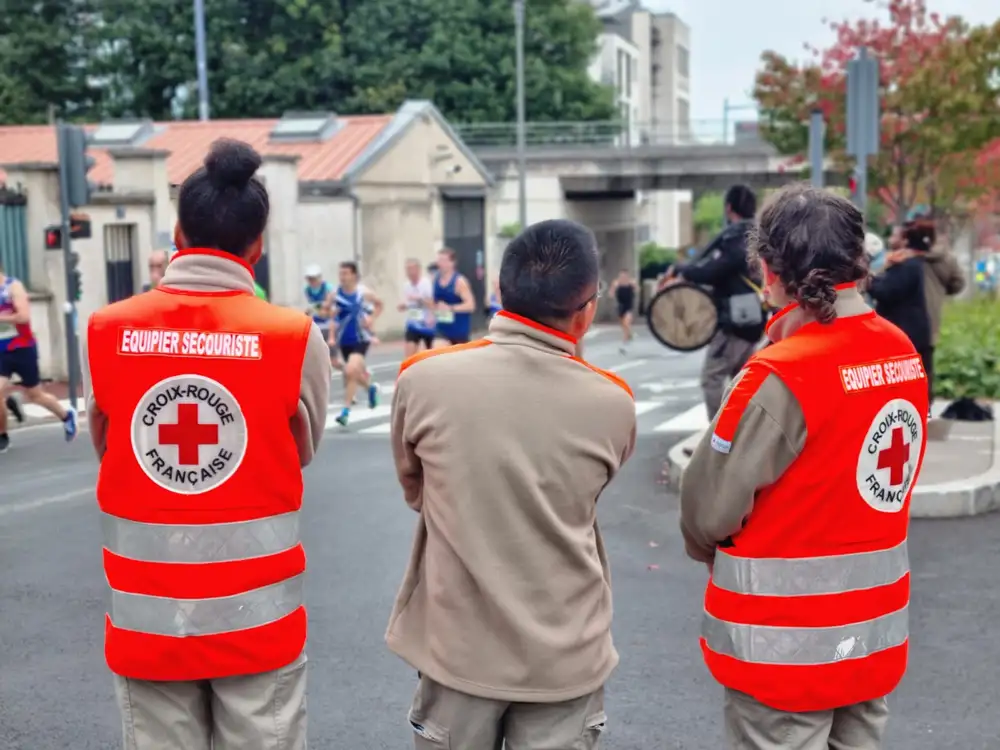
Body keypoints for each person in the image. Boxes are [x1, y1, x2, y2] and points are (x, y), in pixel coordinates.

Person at [81, 138, 331, 750]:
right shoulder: (293, 337)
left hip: (148, 623)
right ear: (259, 244)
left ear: (177, 233)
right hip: (259, 622)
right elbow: (299, 449)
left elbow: (110, 443)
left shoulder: (107, 331)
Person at [680, 185, 929, 750]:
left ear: (768, 271)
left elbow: (708, 511)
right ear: (859, 262)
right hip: (871, 637)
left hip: (785, 651)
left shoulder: (780, 375)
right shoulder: (902, 354)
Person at [387, 219, 636, 750]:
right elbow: (586, 498)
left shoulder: (423, 378)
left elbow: (418, 491)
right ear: (586, 310)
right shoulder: (613, 401)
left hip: (458, 652)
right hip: (567, 655)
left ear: (500, 292)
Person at [662, 184, 765, 420]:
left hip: (734, 322)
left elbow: (712, 271)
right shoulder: (756, 236)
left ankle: (719, 442)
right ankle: (741, 438)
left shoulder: (735, 239)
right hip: (753, 319)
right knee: (742, 382)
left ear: (729, 208)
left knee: (712, 378)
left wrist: (682, 270)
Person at [0, 260, 78, 452]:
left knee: (35, 395)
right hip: (1, 351)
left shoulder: (13, 287)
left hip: (22, 348)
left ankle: (66, 416)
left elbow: (24, 316)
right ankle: (2, 435)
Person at [869, 221, 935, 400]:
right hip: (915, 331)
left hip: (906, 332)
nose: (891, 239)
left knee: (908, 381)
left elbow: (886, 291)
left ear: (905, 241)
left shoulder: (908, 266)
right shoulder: (911, 264)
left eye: (895, 235)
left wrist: (869, 280)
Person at [331, 261, 382, 426]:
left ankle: (345, 411)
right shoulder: (335, 294)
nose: (342, 277)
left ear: (353, 275)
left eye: (345, 273)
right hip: (344, 339)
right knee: (350, 372)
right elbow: (329, 314)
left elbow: (379, 304)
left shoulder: (363, 293)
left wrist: (371, 318)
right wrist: (331, 333)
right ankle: (370, 388)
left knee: (351, 369)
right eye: (341, 274)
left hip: (362, 338)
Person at [432, 247, 476, 347]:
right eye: (439, 260)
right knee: (438, 354)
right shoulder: (436, 279)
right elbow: (435, 302)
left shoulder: (459, 282)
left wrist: (451, 308)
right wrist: (434, 310)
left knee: (458, 362)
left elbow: (471, 305)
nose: (440, 263)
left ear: (452, 263)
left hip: (459, 331)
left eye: (443, 260)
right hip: (441, 329)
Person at [399, 258, 436, 357]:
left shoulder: (426, 283)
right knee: (409, 357)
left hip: (428, 323)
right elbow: (409, 303)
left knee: (432, 356)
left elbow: (432, 304)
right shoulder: (406, 285)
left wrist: (418, 298)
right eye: (407, 269)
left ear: (418, 269)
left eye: (412, 268)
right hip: (413, 323)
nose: (410, 272)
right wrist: (404, 306)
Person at [610, 270, 636, 353]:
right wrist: (613, 290)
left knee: (626, 323)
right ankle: (630, 334)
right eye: (621, 276)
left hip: (629, 306)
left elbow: (637, 290)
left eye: (624, 276)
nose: (623, 278)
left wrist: (634, 286)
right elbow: (611, 293)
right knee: (623, 326)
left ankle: (624, 345)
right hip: (620, 306)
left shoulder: (631, 283)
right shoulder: (616, 283)